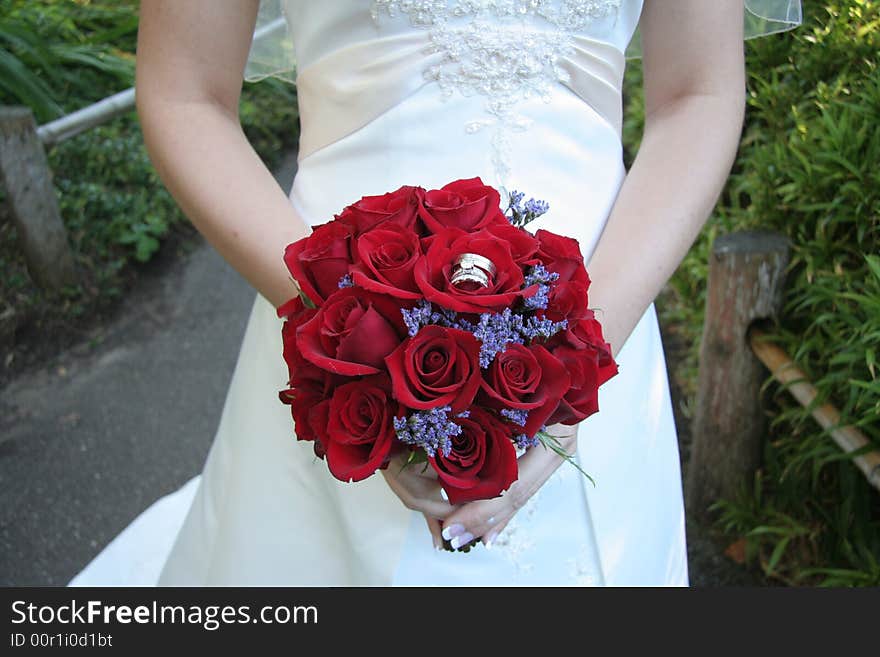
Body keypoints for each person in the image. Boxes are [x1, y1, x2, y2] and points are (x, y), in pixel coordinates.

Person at [69, 0, 802, 586]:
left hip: (604, 308)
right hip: (333, 326)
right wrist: (342, 332)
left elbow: (696, 92)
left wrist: (571, 362)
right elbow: (186, 90)